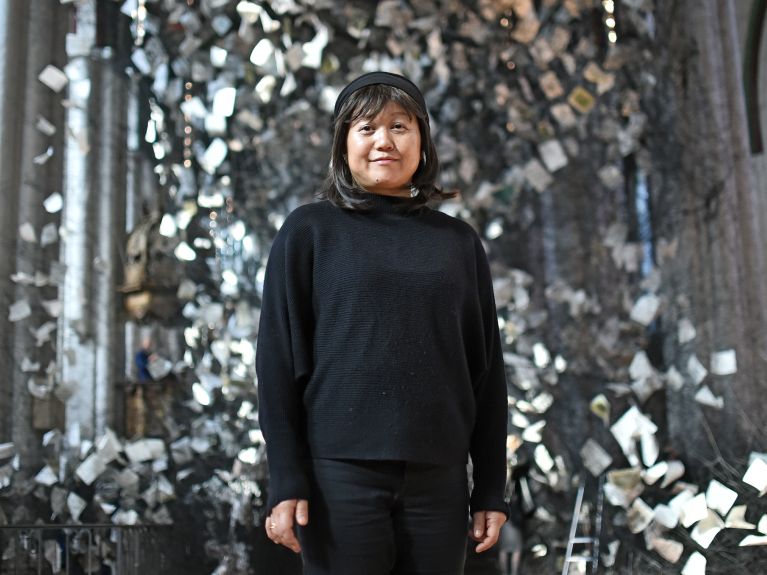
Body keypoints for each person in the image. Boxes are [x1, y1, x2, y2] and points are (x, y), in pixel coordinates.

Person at [256, 71, 509, 575]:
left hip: (440, 476)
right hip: (338, 476)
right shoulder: (309, 231)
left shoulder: (457, 243)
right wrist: (286, 479)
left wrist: (489, 489)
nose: (383, 141)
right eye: (366, 128)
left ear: (422, 141)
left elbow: (487, 373)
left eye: (400, 126)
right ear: (343, 143)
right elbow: (277, 363)